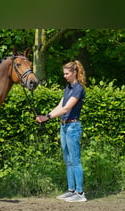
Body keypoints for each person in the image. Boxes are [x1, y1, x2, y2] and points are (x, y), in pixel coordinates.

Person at [36, 60, 87, 202]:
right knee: (68, 160)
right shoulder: (68, 88)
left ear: (74, 73)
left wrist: (47, 117)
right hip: (64, 126)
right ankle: (71, 190)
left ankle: (80, 193)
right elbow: (60, 105)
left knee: (75, 161)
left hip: (73, 127)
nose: (64, 76)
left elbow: (66, 108)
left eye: (67, 73)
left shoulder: (79, 88)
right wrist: (45, 116)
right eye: (64, 73)